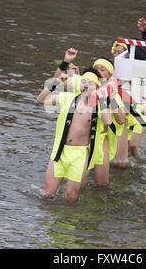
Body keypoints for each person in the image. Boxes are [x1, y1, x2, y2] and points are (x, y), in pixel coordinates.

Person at [37, 68, 112, 203]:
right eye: (83, 81)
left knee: (71, 196)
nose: (85, 85)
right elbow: (41, 99)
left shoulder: (100, 105)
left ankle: (68, 221)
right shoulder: (68, 98)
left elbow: (108, 121)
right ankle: (46, 222)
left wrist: (101, 98)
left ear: (97, 87)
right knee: (47, 193)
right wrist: (57, 82)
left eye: (90, 83)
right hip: (60, 151)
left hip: (79, 154)